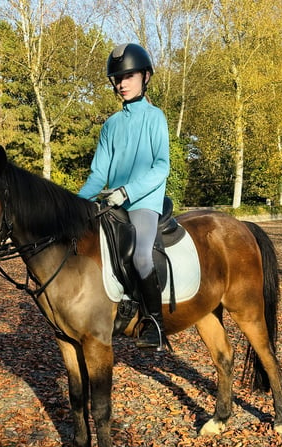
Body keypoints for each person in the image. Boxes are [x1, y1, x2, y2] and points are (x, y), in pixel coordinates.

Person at [78, 43, 170, 350]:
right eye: (118, 78)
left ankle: (154, 323)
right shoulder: (110, 126)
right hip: (113, 204)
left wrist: (127, 192)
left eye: (129, 76)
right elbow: (97, 176)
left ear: (145, 77)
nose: (122, 83)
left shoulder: (155, 117)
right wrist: (74, 205)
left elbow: (161, 166)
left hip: (143, 202)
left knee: (141, 255)